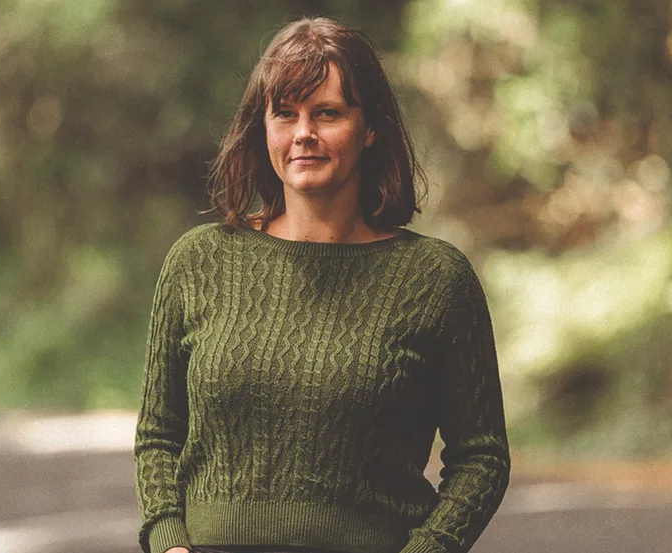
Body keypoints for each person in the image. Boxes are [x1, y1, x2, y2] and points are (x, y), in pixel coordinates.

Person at [134, 16, 510, 553]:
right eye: (285, 114)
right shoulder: (200, 262)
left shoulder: (434, 279)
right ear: (263, 129)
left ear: (371, 126)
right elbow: (158, 436)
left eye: (327, 113)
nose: (303, 133)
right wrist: (170, 542)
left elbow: (482, 456)